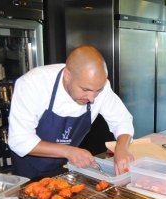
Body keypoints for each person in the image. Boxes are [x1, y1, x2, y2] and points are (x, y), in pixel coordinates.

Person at [8, 45, 134, 179]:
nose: (92, 98)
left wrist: (121, 148)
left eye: (97, 91)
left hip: (66, 168)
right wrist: (68, 151)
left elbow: (122, 121)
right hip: (28, 171)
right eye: (85, 90)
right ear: (67, 75)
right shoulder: (33, 84)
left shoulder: (100, 87)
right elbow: (20, 140)